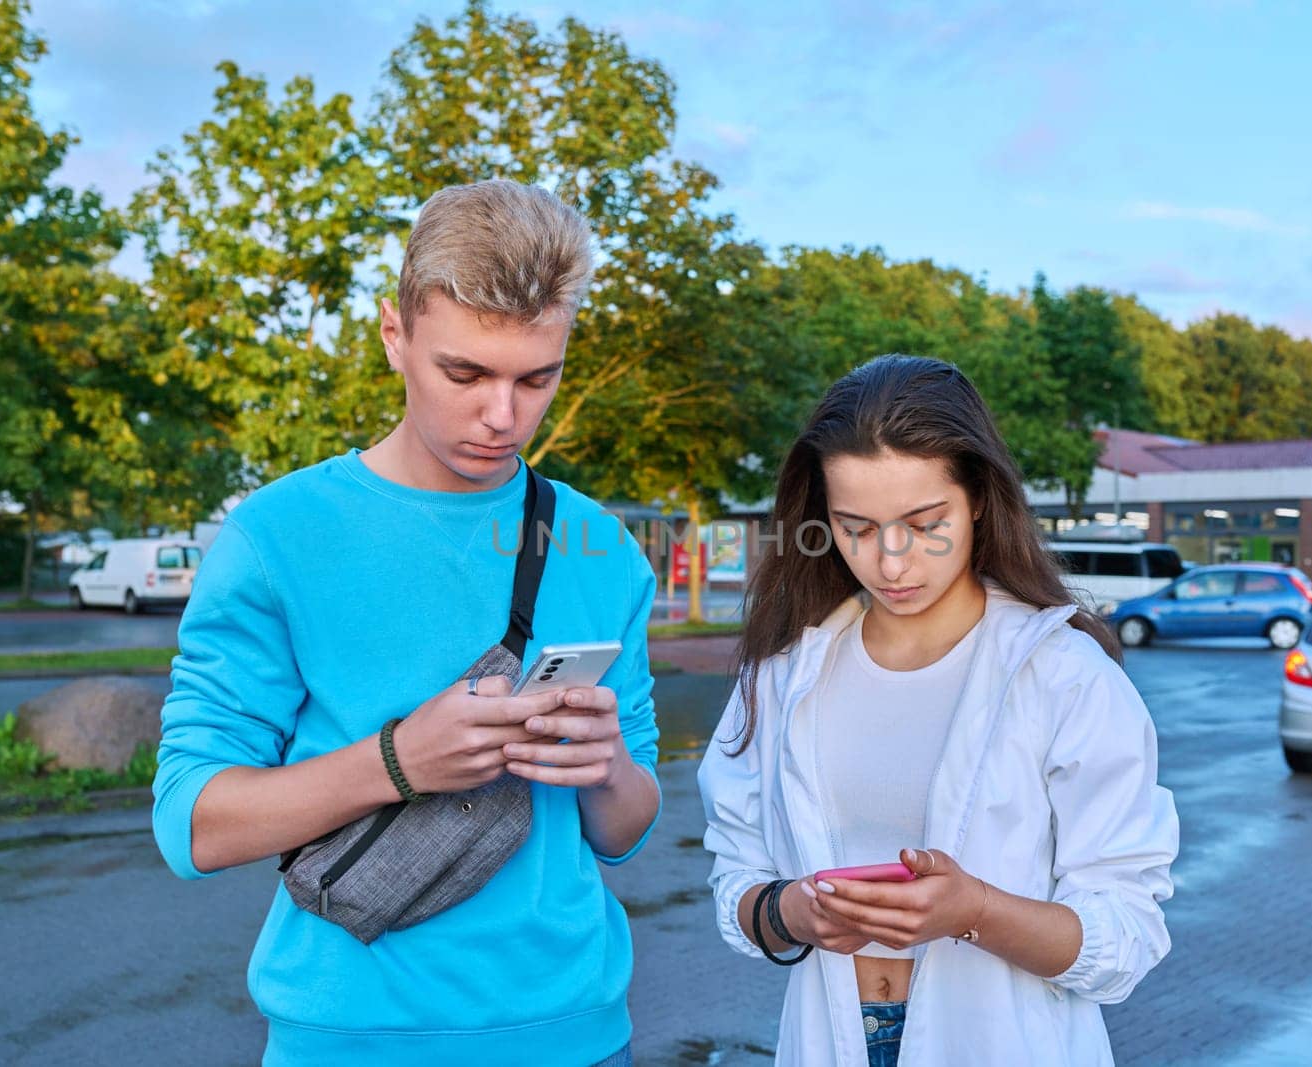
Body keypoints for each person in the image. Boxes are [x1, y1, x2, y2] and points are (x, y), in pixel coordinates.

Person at [152, 180, 661, 1067]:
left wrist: (605, 765)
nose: (503, 417)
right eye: (464, 373)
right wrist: (398, 761)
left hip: (579, 1034)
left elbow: (625, 829)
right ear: (395, 335)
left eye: (537, 378)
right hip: (349, 1040)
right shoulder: (278, 536)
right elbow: (193, 824)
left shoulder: (601, 546)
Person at [699, 355, 1178, 1066]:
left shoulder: (1063, 675)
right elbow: (736, 878)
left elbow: (1128, 936)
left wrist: (977, 910)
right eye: (855, 526)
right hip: (830, 1043)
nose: (891, 562)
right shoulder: (784, 673)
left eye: (925, 523)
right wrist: (787, 912)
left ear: (979, 497)